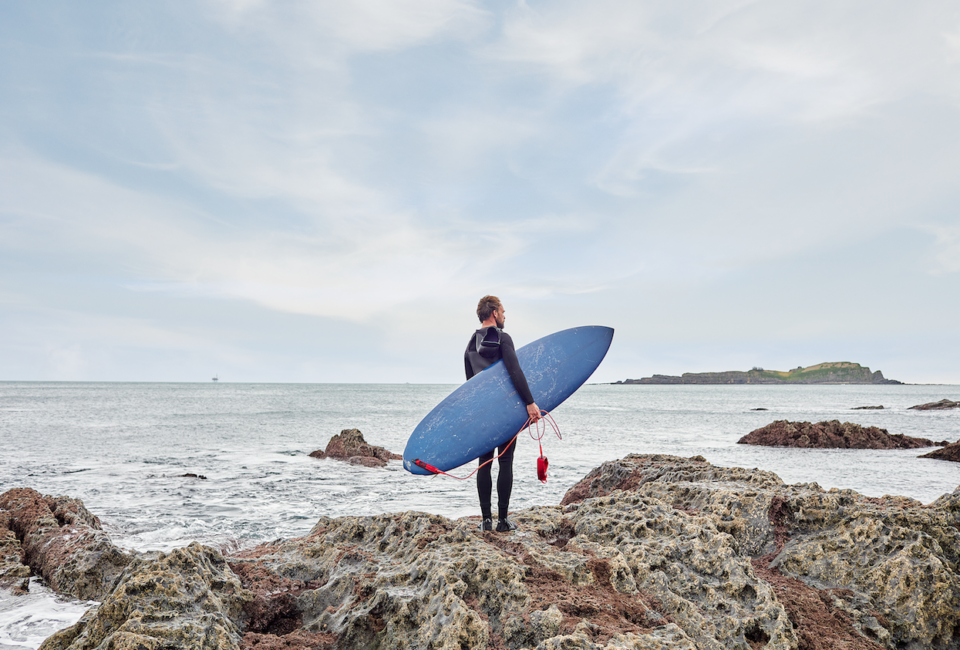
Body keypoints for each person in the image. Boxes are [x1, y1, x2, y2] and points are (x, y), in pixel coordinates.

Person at [464, 295, 541, 532]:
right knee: (505, 461)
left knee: (484, 462)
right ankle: (502, 521)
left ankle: (486, 521)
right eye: (503, 311)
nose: (505, 316)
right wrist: (530, 402)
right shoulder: (503, 338)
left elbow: (469, 384)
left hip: (484, 413)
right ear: (494, 313)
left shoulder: (470, 345)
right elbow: (515, 371)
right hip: (505, 412)